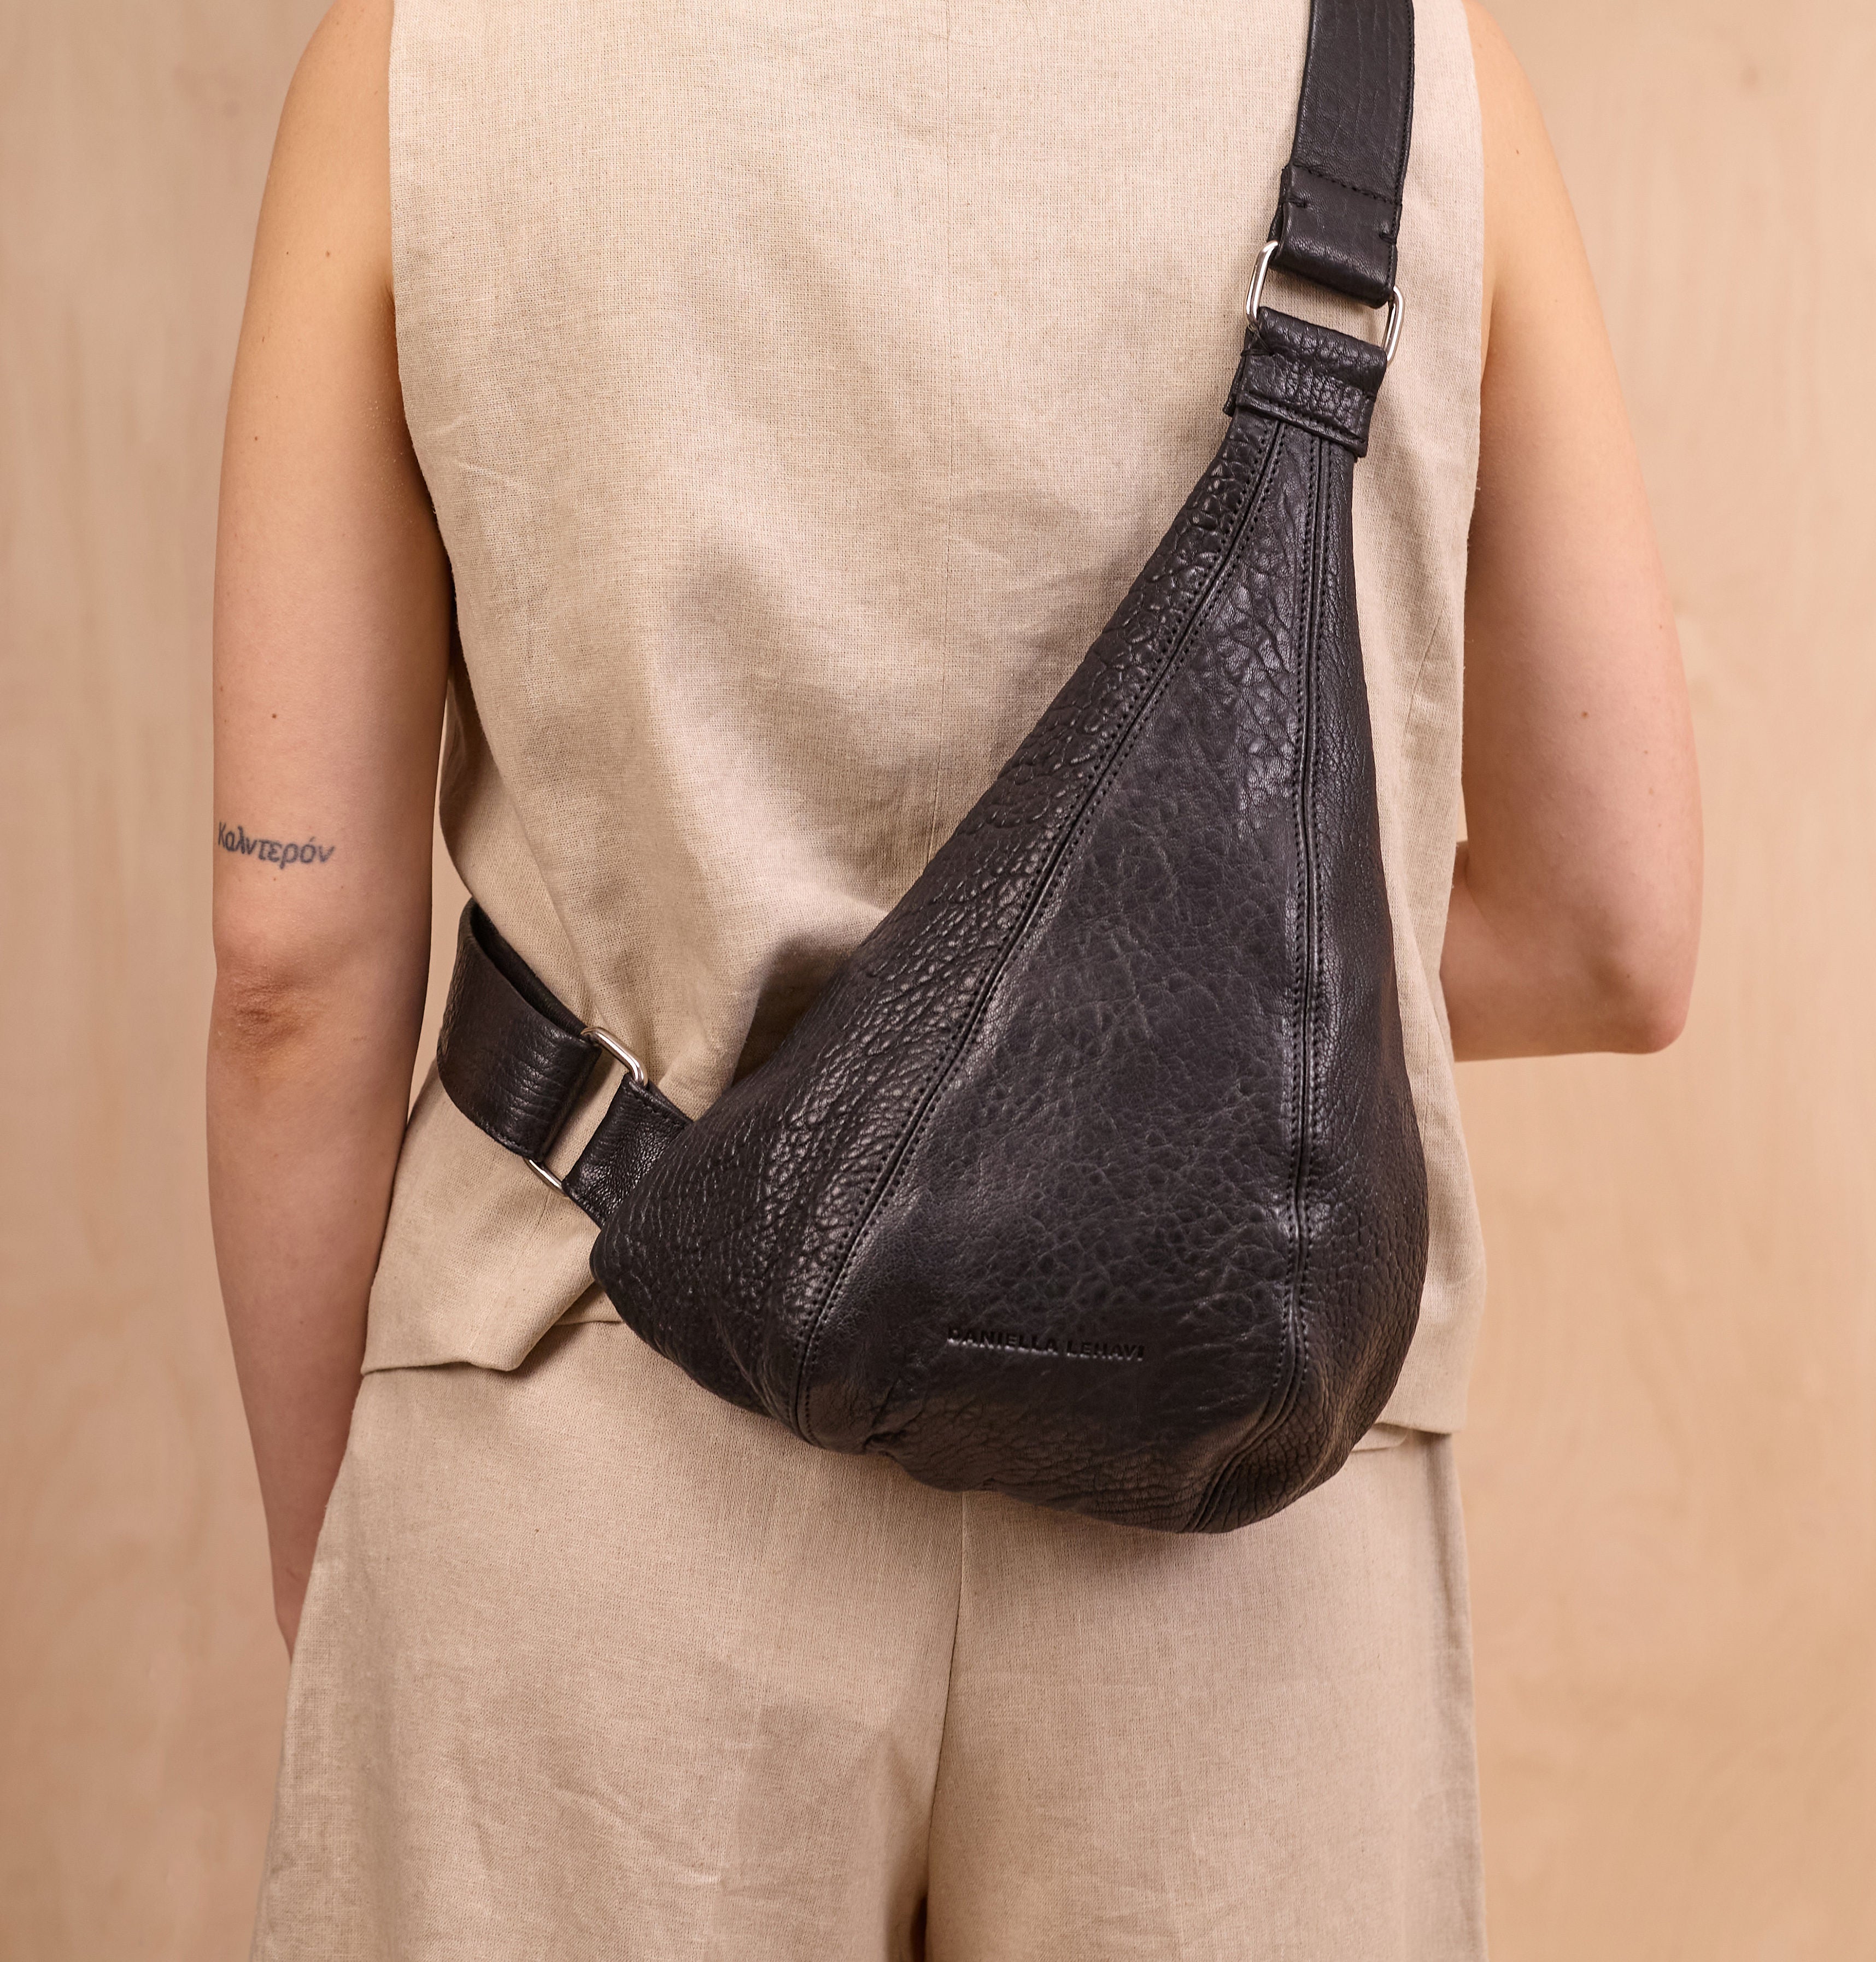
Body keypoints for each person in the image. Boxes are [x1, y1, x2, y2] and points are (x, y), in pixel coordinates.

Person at [208, 0, 1701, 1954]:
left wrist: (338, 1559)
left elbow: (292, 970)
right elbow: (1610, 930)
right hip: (1232, 1496)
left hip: (591, 1454)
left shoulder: (421, 72)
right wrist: (1130, 1064)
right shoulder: (1412, 76)